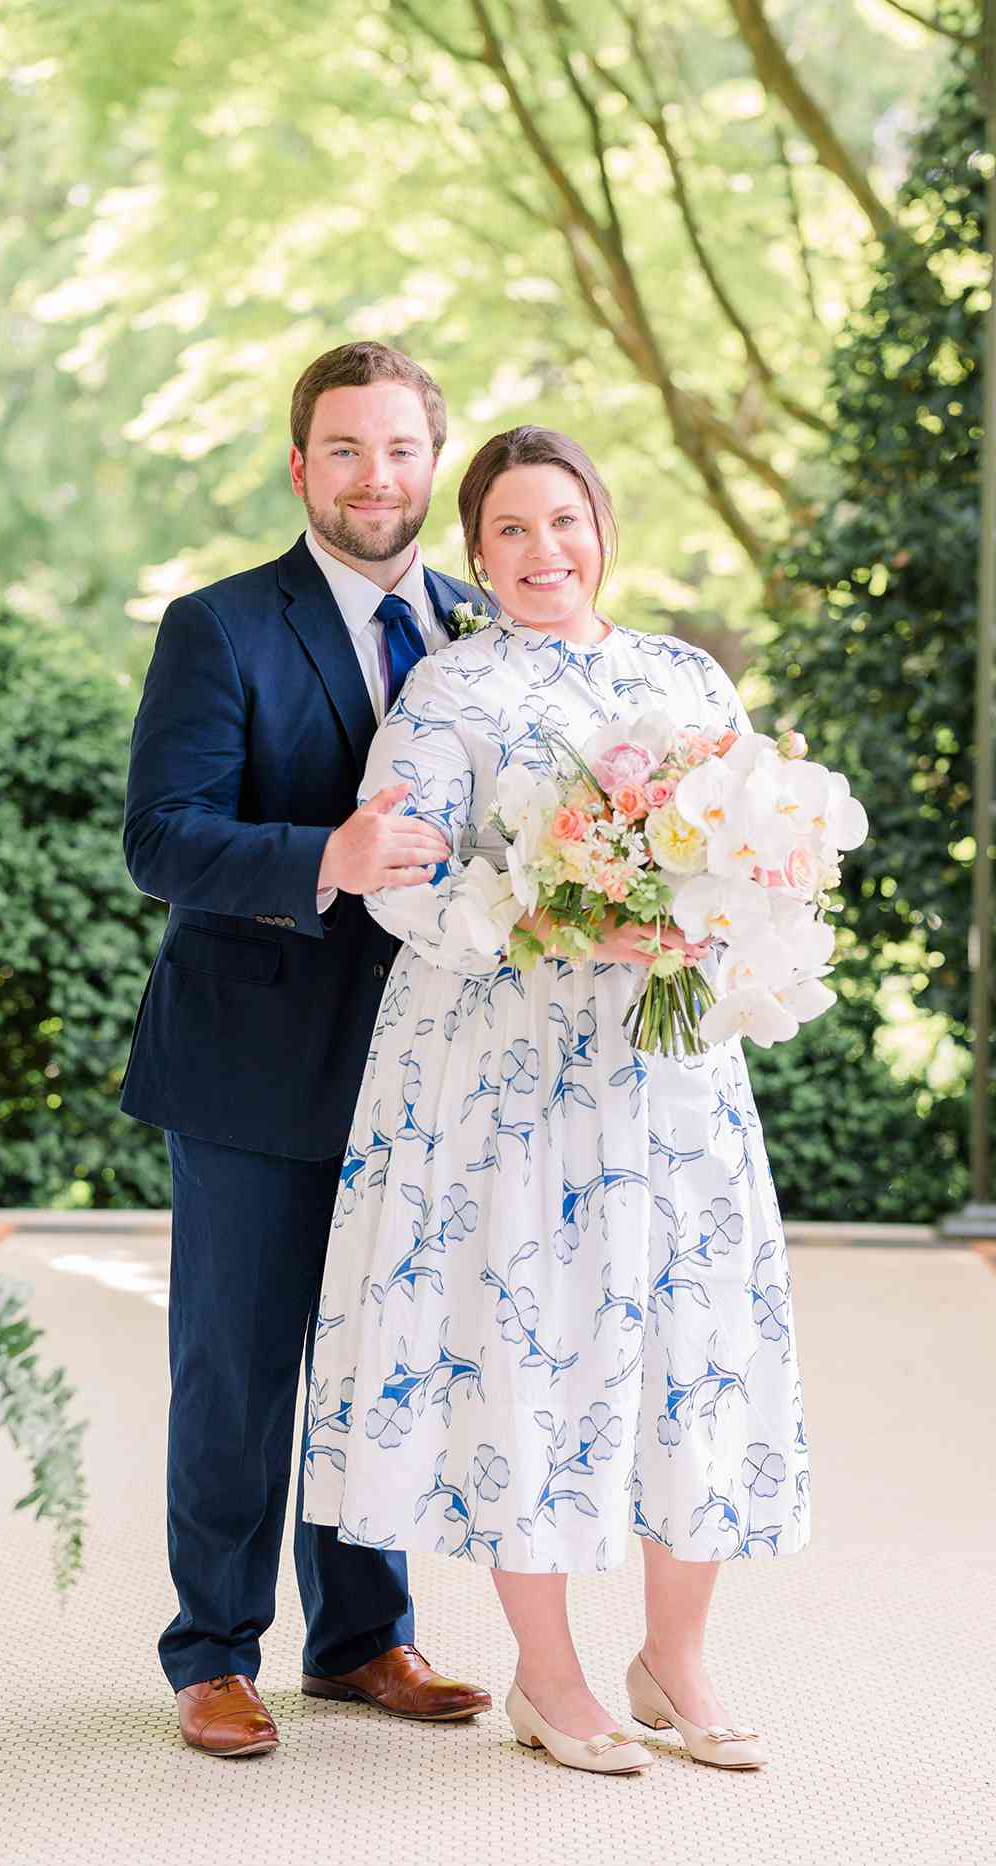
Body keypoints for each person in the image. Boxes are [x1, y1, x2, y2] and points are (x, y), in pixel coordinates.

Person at [303, 427, 810, 1776]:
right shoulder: (449, 694)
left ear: (604, 530)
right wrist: (555, 919)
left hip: (674, 1078)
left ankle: (677, 1655)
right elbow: (399, 878)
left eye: (566, 521)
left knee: (691, 1343)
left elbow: (761, 850)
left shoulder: (685, 675)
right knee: (538, 1348)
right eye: (512, 530)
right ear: (478, 554)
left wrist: (714, 918)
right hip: (511, 1086)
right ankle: (551, 1672)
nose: (545, 552)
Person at [121, 342, 493, 1758]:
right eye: (345, 449)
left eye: (400, 449)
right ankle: (213, 1650)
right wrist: (325, 853)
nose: (375, 475)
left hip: (423, 1070)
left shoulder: (478, 623)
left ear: (430, 464)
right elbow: (162, 838)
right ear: (301, 468)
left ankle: (360, 1639)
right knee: (239, 1365)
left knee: (381, 1358)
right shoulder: (216, 627)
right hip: (249, 1064)